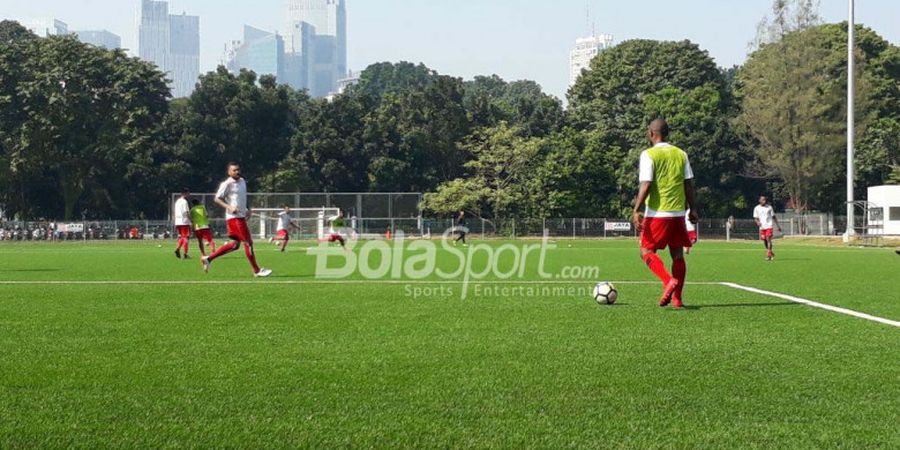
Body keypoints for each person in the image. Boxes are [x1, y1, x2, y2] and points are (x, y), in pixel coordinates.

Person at [631, 119, 697, 309]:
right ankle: (677, 300)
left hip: (657, 213)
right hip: (678, 213)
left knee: (645, 251)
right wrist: (693, 209)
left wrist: (636, 210)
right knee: (677, 255)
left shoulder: (648, 154)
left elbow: (646, 184)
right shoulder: (681, 154)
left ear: (651, 134)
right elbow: (688, 184)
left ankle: (668, 280)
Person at [201, 163, 272, 277]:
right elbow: (217, 199)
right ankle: (257, 270)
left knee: (235, 245)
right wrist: (229, 207)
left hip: (240, 217)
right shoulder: (227, 184)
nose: (237, 172)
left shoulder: (242, 181)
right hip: (234, 218)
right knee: (248, 243)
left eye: (238, 170)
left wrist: (248, 208)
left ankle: (208, 259)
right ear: (229, 172)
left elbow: (243, 197)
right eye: (234, 170)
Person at [753, 196, 782, 261]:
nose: (764, 201)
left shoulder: (769, 207)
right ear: (759, 200)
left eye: (765, 200)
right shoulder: (756, 208)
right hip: (762, 227)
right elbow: (755, 217)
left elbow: (774, 217)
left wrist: (778, 226)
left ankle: (768, 255)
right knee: (764, 240)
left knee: (768, 238)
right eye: (762, 200)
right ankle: (770, 252)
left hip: (769, 226)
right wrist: (757, 222)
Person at [173, 189, 192, 259]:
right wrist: (191, 220)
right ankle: (185, 254)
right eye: (188, 193)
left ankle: (178, 249)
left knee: (182, 237)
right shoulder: (184, 202)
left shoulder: (177, 201)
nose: (189, 195)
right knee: (186, 237)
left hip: (178, 221)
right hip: (184, 221)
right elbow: (186, 212)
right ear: (185, 193)